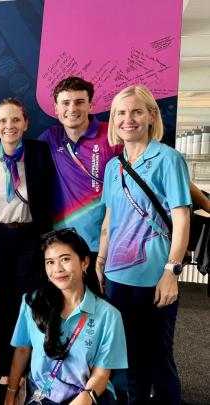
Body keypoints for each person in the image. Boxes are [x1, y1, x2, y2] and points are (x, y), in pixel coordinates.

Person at [0, 77, 210, 294]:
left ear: (91, 105)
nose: (72, 109)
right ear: (56, 109)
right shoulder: (50, 138)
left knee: (103, 313)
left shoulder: (113, 135)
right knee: (65, 314)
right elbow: (15, 144)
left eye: (79, 102)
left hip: (106, 246)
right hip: (62, 245)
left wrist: (207, 205)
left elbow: (170, 174)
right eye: (65, 103)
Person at [96, 85, 191, 405]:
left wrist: (171, 272)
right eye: (121, 113)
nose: (128, 119)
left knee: (159, 361)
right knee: (131, 360)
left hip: (154, 278)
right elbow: (110, 217)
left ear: (152, 116)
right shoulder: (114, 166)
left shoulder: (168, 159)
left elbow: (182, 219)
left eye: (137, 111)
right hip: (117, 278)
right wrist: (101, 260)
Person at [0, 97, 54, 386]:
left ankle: (29, 371)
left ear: (25, 123)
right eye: (3, 121)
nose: (10, 126)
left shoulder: (39, 151)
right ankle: (6, 370)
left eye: (16, 120)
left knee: (28, 303)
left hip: (30, 237)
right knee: (5, 305)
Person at [5, 228, 127, 405]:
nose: (57, 269)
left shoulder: (109, 316)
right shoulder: (32, 303)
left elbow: (101, 374)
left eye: (65, 259)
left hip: (88, 395)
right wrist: (10, 393)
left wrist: (85, 397)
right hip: (42, 395)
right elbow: (22, 350)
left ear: (84, 262)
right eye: (50, 262)